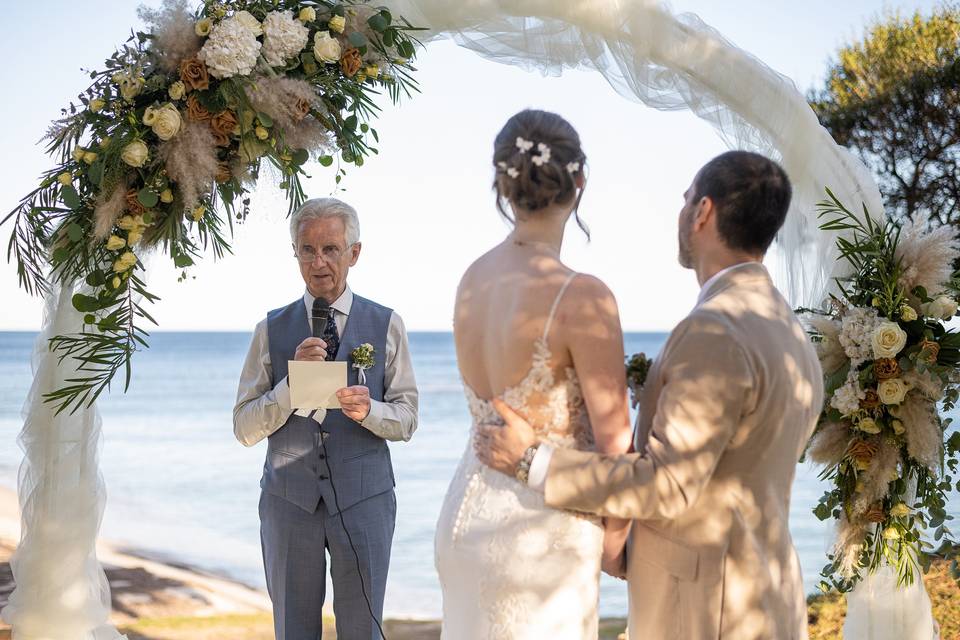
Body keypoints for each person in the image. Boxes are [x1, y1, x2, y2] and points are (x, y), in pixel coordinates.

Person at [477, 151, 824, 640]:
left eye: (685, 200)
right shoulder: (790, 330)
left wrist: (533, 461)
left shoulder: (715, 330)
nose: (680, 212)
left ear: (703, 212)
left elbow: (668, 483)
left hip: (707, 607)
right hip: (766, 590)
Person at [434, 109, 634, 639]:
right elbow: (616, 442)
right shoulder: (583, 296)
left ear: (502, 183)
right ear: (579, 182)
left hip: (465, 517)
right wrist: (618, 542)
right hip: (539, 536)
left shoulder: (472, 280)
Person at [233, 197, 418, 640]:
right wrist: (289, 389)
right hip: (288, 504)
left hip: (366, 500)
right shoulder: (270, 329)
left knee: (362, 631)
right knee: (293, 632)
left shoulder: (387, 324)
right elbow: (243, 426)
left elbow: (408, 419)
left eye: (331, 249)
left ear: (354, 253)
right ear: (295, 253)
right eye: (307, 250)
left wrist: (369, 410)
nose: (319, 262)